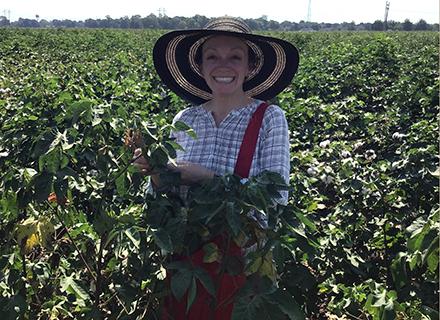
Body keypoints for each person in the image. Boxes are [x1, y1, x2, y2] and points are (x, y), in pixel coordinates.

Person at [134, 16, 299, 320]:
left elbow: (275, 201)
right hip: (187, 261)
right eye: (212, 56)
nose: (223, 65)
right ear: (200, 66)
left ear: (250, 67)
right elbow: (159, 202)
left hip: (241, 266)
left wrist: (207, 177)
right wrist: (155, 171)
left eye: (235, 57)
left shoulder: (268, 118)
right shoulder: (186, 118)